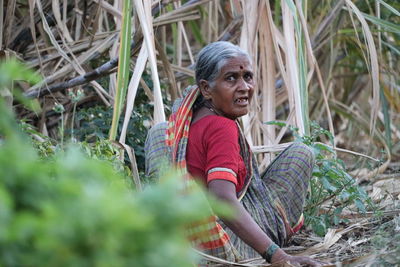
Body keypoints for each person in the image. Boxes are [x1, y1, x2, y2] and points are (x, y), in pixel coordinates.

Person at [145, 41, 323, 266]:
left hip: (193, 243)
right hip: (233, 245)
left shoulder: (187, 120)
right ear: (206, 88)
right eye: (231, 78)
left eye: (248, 77)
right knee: (301, 153)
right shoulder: (221, 127)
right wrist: (276, 255)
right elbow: (222, 197)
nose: (245, 87)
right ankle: (279, 235)